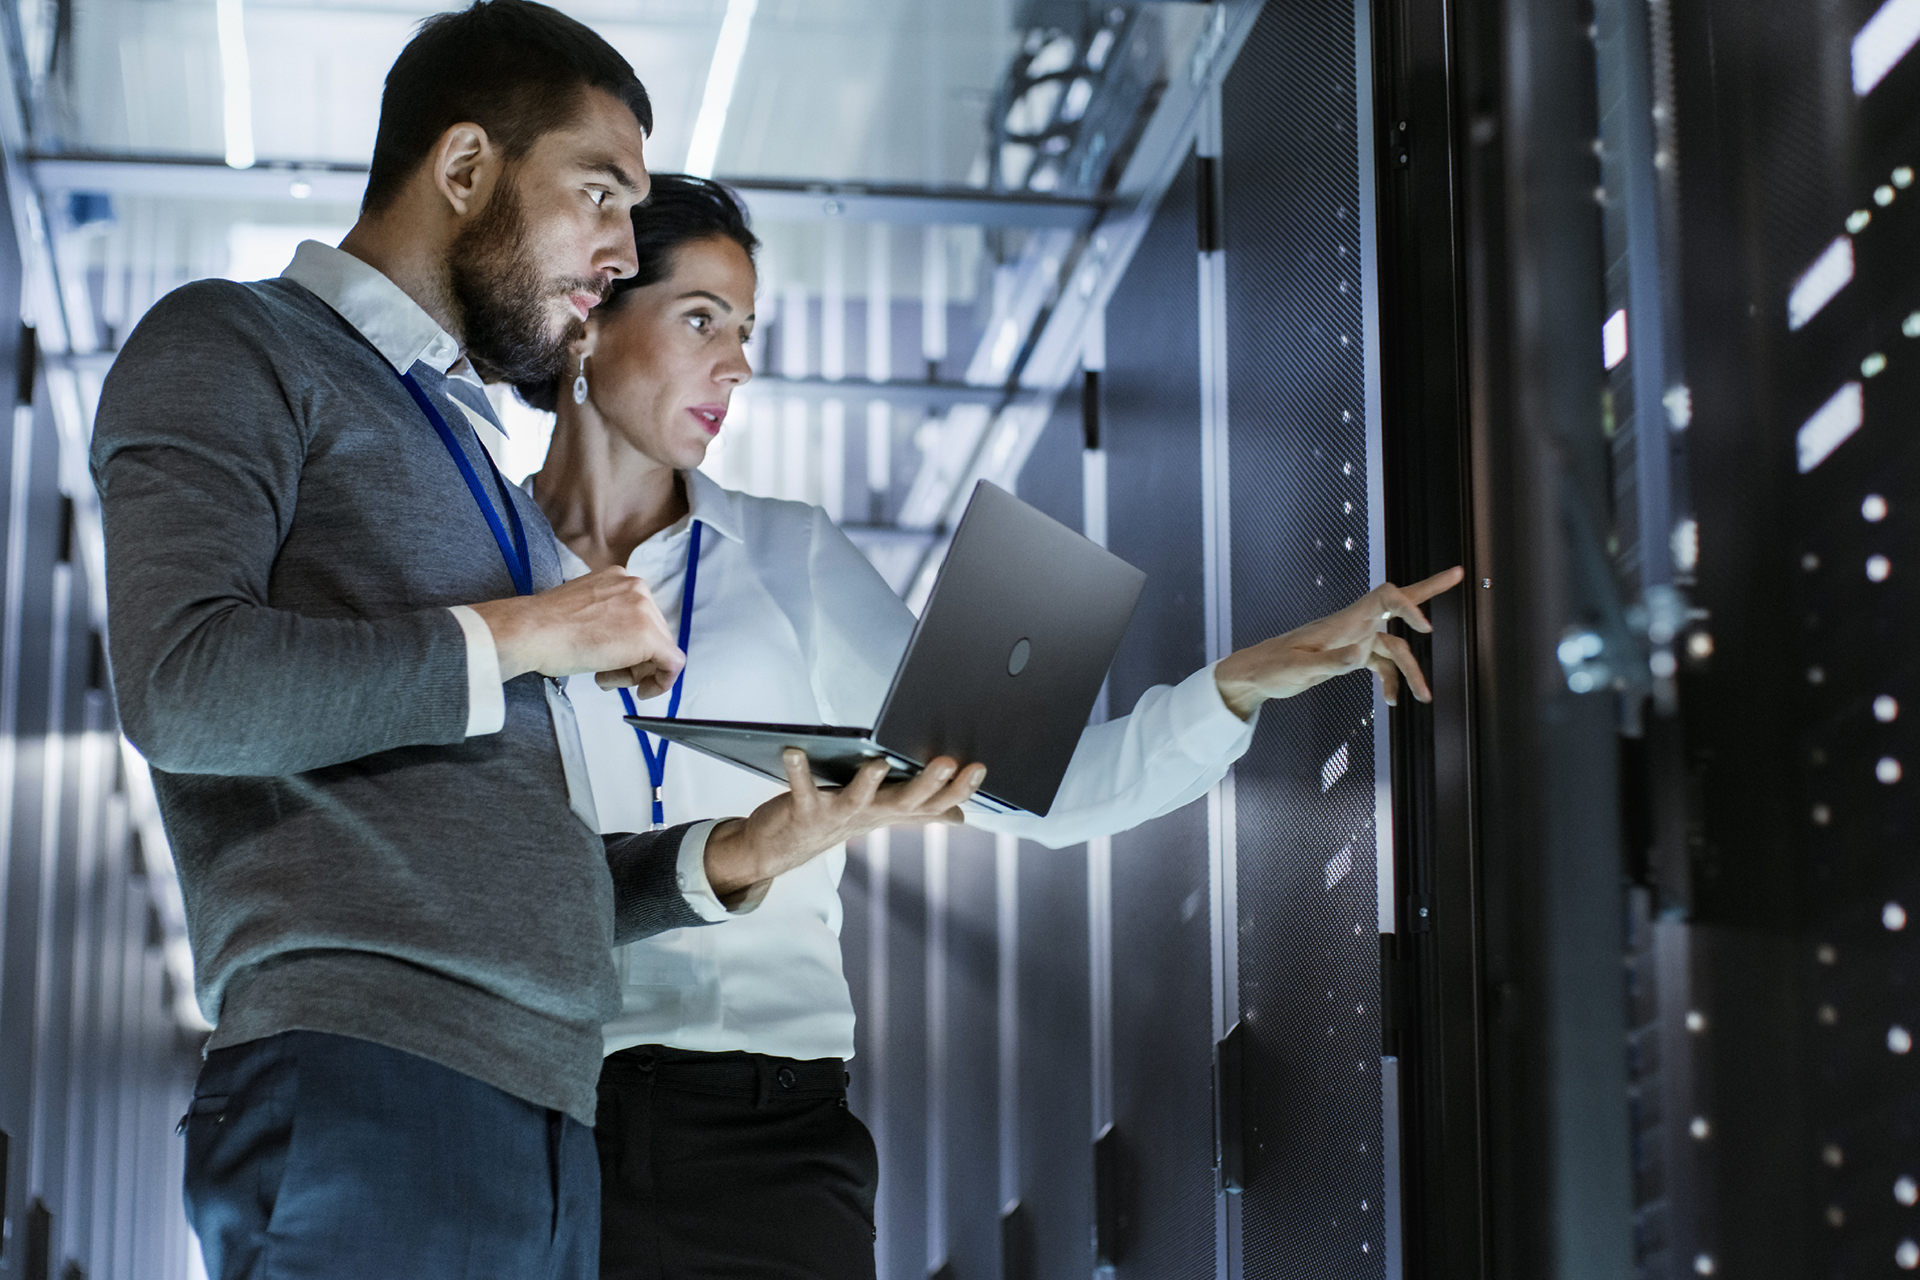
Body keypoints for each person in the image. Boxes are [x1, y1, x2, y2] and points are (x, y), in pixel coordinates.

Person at [88, 10, 981, 1279]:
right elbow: (187, 685)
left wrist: (741, 853)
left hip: (548, 1115)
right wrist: (537, 627)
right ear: (464, 171)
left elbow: (516, 861)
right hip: (369, 1076)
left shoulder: (475, 470)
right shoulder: (234, 343)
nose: (619, 251)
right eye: (600, 194)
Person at [513, 173, 1464, 1279]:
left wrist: (1238, 684)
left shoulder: (792, 557)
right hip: (541, 1118)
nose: (738, 363)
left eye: (748, 330)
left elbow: (1034, 796)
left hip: (769, 1137)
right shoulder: (483, 572)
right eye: (700, 319)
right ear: (591, 318)